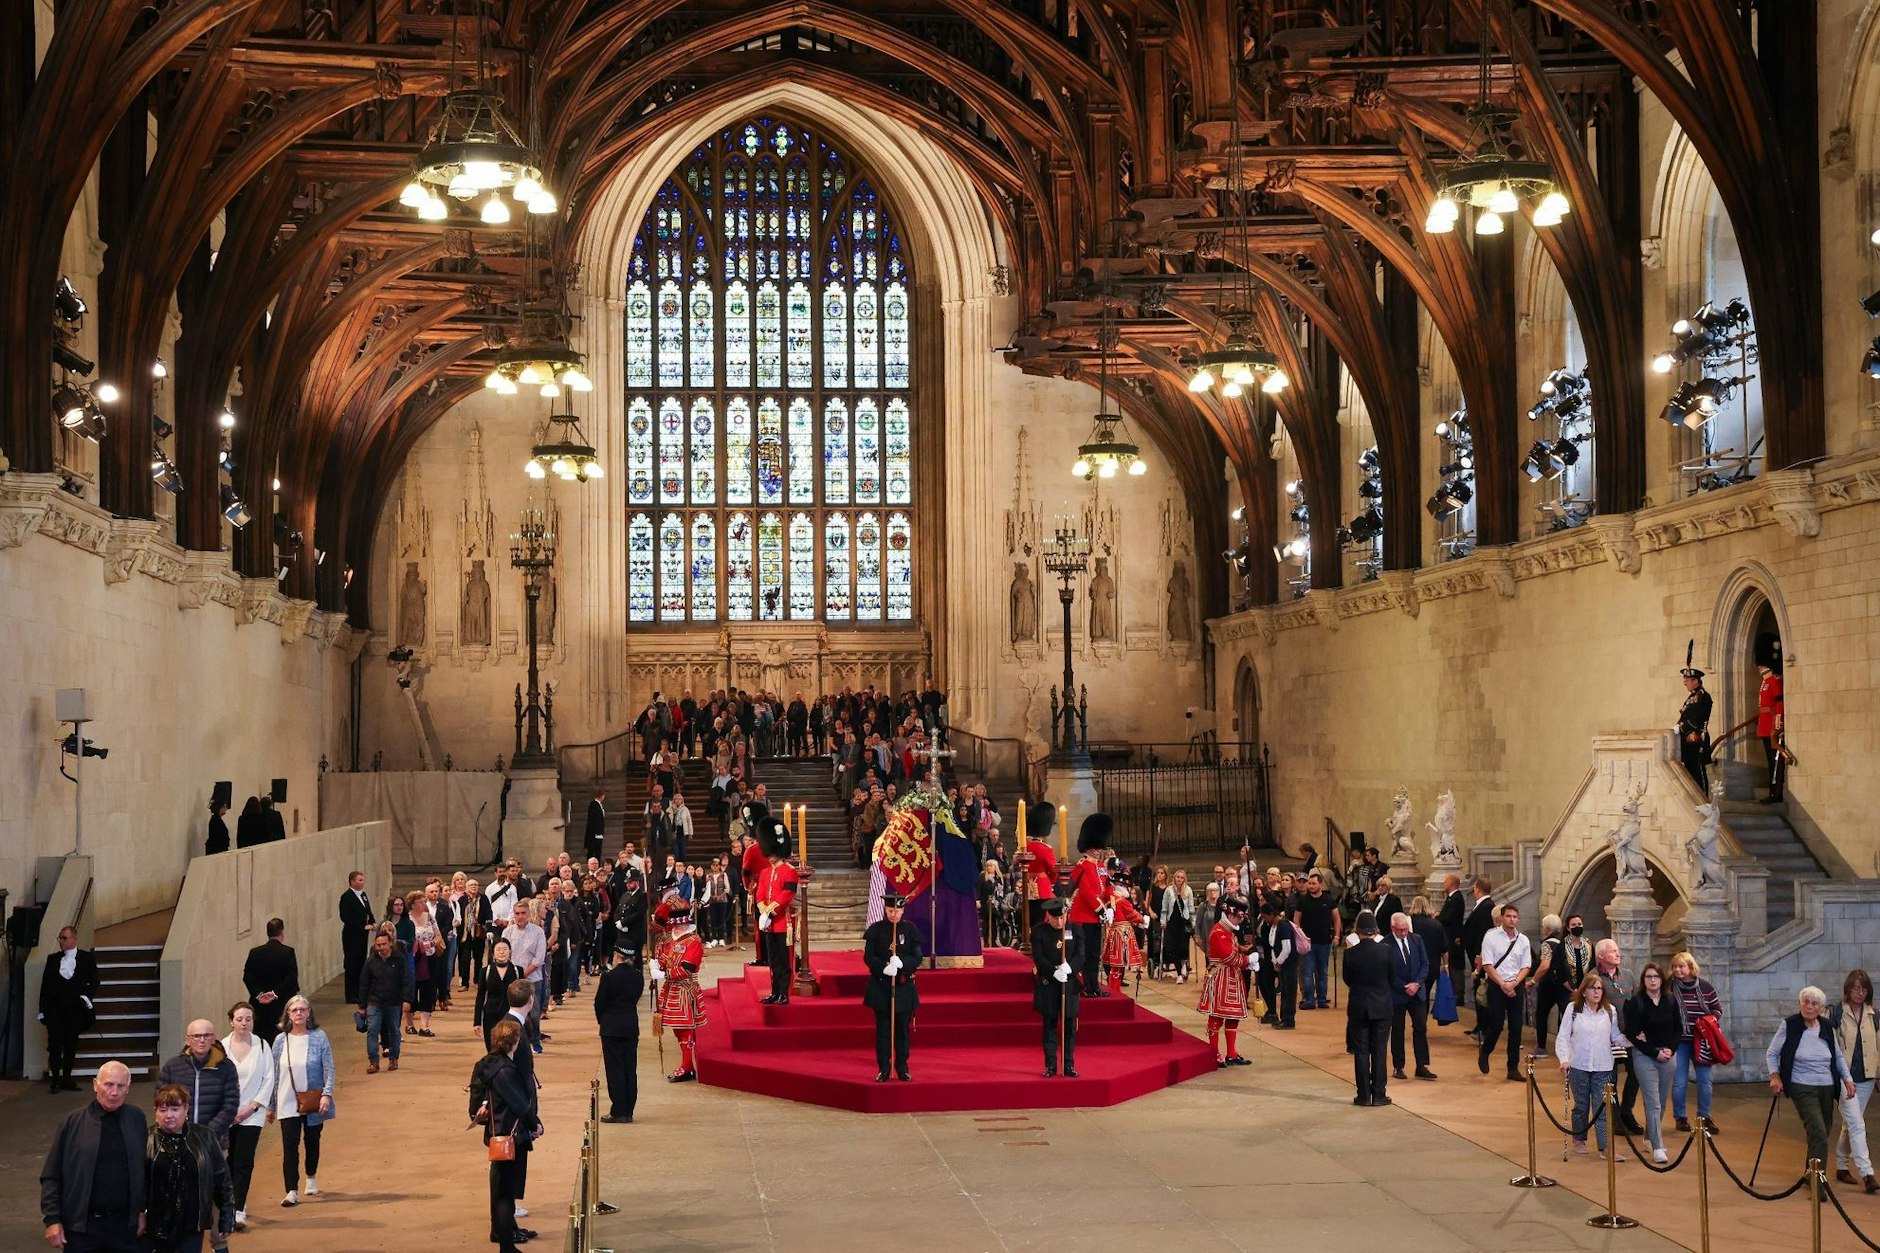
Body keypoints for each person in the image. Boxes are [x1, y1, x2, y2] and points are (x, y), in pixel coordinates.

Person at [40, 1061, 146, 1252]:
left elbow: (143, 1170)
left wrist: (140, 1211)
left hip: (124, 1228)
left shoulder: (136, 1118)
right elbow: (51, 1175)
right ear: (95, 1084)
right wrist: (52, 1219)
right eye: (108, 1084)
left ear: (128, 1089)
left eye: (120, 1086)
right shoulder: (72, 1123)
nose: (114, 1092)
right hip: (82, 1229)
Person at [1769, 985, 1855, 1185]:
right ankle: (1818, 1182)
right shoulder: (1789, 1025)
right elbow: (1772, 1053)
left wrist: (1848, 1079)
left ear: (1821, 1008)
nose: (1809, 1007)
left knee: (1823, 1130)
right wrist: (1775, 1076)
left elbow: (1837, 1056)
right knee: (1817, 1131)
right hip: (1801, 1084)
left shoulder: (1826, 1026)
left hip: (1827, 1085)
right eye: (1806, 1002)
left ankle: (1810, 1172)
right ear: (1799, 1004)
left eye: (1814, 1003)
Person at [143, 1082, 236, 1253]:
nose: (169, 1115)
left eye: (175, 1109)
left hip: (192, 1223)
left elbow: (222, 1179)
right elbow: (139, 1185)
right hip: (155, 1225)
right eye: (163, 1110)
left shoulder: (205, 1136)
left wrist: (227, 1217)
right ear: (155, 1112)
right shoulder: (145, 1139)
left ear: (186, 1109)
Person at [1557, 971, 1631, 1158]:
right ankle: (1579, 1139)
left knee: (1602, 1107)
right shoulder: (1574, 1010)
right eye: (1592, 988)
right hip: (1578, 1065)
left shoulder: (1609, 1011)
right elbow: (1563, 1036)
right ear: (1584, 991)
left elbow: (1616, 1037)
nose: (1597, 992)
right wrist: (1564, 1059)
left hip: (1603, 1066)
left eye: (1599, 988)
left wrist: (1634, 1040)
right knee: (1581, 1106)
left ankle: (1605, 1147)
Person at [270, 995, 334, 1208]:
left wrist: (326, 1094)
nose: (298, 1013)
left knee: (312, 1139)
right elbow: (274, 1073)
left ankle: (311, 1175)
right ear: (288, 1015)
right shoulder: (280, 1040)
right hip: (287, 1100)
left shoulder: (319, 1037)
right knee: (290, 1145)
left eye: (302, 1010)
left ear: (309, 1013)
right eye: (294, 1010)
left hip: (312, 1098)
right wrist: (271, 1105)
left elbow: (329, 1068)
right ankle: (291, 1190)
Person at [481, 1019, 538, 1253]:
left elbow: (476, 1103)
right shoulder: (506, 1071)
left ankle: (506, 1235)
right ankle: (506, 1245)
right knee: (505, 1194)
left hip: (496, 1134)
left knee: (501, 1190)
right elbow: (520, 1105)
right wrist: (535, 1125)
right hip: (511, 1138)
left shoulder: (487, 1064)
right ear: (514, 1042)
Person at [219, 1003, 274, 1230]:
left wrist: (252, 1107)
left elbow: (269, 1078)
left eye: (248, 1019)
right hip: (225, 1114)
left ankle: (238, 1208)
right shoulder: (221, 1048)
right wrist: (228, 1111)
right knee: (228, 1161)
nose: (244, 1023)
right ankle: (228, 1203)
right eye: (239, 1019)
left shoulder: (262, 1046)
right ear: (231, 1021)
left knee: (243, 1160)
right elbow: (215, 1079)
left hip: (252, 1114)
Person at [863, 892, 924, 1082]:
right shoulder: (876, 930)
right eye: (890, 911)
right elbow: (868, 956)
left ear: (902, 911)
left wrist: (903, 964)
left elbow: (917, 957)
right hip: (882, 986)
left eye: (896, 911)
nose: (893, 915)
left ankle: (902, 1067)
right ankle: (884, 1068)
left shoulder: (910, 930)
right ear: (885, 910)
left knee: (902, 1031)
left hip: (903, 988)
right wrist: (883, 968)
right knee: (883, 1031)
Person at [1624, 962, 1681, 1164]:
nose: (1653, 980)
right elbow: (1632, 1033)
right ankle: (1658, 1146)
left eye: (1656, 976)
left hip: (1668, 1055)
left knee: (1662, 1102)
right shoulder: (1637, 1002)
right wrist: (1654, 1052)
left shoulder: (1670, 1000)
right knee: (1653, 1102)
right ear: (1643, 980)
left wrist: (1671, 1049)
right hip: (1645, 1056)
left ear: (1662, 979)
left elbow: (1678, 1029)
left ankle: (1649, 1138)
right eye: (1648, 977)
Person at [157, 1020, 240, 1149]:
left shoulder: (226, 1067)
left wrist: (207, 1133)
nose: (202, 1040)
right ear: (187, 1040)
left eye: (206, 1035)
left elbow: (231, 1104)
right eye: (197, 1036)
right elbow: (161, 1101)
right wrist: (177, 1129)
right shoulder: (172, 1066)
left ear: (213, 1038)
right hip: (178, 1139)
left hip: (213, 1141)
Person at [1833, 970, 1880, 1192]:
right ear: (1848, 989)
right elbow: (1831, 1045)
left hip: (1867, 1077)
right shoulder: (1837, 1013)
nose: (1860, 993)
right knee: (1856, 1123)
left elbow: (1879, 1046)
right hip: (1845, 1077)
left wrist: (1878, 1075)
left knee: (1852, 1122)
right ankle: (1867, 1173)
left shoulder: (1874, 1015)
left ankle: (1841, 1166)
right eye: (1856, 988)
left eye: (1864, 989)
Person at [1668, 950, 1724, 1133]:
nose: (1677, 970)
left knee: (1705, 1081)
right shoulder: (1669, 988)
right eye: (1675, 967)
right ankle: (1680, 1117)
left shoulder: (1706, 987)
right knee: (1680, 1081)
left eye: (1681, 966)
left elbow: (1717, 1009)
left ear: (1691, 968)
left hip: (1702, 1040)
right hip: (1680, 1041)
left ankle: (1704, 1117)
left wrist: (1709, 1021)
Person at [652, 893, 706, 1082]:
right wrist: (657, 963)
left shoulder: (693, 942)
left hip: (684, 990)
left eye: (675, 925)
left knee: (686, 1029)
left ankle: (687, 1065)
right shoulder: (674, 940)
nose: (673, 928)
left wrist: (664, 974)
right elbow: (667, 959)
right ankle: (687, 1064)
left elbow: (686, 969)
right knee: (677, 1029)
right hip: (672, 990)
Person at [39, 925, 98, 1093]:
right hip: (55, 1010)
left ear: (74, 939)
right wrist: (42, 1009)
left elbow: (94, 981)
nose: (61, 941)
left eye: (64, 938)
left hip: (75, 1010)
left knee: (71, 1044)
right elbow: (45, 986)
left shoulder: (86, 958)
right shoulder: (53, 959)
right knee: (54, 1045)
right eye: (60, 938)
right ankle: (55, 1080)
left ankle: (67, 1078)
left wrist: (86, 997)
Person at [1476, 903, 1532, 1081]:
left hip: (1516, 986)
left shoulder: (1523, 940)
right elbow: (1487, 964)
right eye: (1508, 916)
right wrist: (1503, 984)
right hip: (1496, 985)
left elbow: (1526, 966)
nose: (1512, 920)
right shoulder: (1491, 936)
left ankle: (1512, 1068)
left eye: (1515, 917)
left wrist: (1514, 983)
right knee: (1497, 1024)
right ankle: (1486, 1050)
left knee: (1516, 1027)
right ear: (1501, 918)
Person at [1343, 910, 1393, 1107]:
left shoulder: (1350, 954)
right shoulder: (1387, 951)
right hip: (1381, 1005)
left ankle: (1363, 1095)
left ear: (1358, 931)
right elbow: (1392, 977)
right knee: (1380, 1051)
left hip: (1359, 1005)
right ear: (1375, 930)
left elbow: (1348, 979)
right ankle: (1379, 1094)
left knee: (1361, 1052)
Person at [1197, 895, 1252, 1068]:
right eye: (1238, 917)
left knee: (1232, 1017)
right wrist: (1247, 960)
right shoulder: (1219, 932)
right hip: (1220, 977)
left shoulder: (1227, 931)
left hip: (1231, 977)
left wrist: (1243, 951)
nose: (1240, 920)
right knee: (1216, 1016)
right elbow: (1228, 956)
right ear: (1230, 914)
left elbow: (1233, 950)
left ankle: (1231, 1053)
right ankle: (1213, 1052)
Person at [592, 946, 644, 1122]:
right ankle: (629, 1110)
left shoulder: (609, 977)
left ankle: (618, 1110)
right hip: (630, 1025)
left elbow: (599, 1003)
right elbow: (635, 998)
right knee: (629, 1067)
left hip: (611, 1027)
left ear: (616, 955)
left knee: (615, 1069)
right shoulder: (638, 976)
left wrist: (603, 1020)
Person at [1032, 897, 1083, 1078]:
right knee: (1049, 1027)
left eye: (1062, 918)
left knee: (1069, 1028)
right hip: (1049, 983)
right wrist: (1053, 972)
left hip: (1069, 984)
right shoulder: (1039, 931)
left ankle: (1068, 1065)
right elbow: (1038, 957)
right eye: (1055, 919)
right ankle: (1051, 1065)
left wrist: (1071, 967)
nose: (1059, 922)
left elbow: (1081, 955)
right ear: (1049, 916)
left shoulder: (1075, 930)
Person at [753, 816, 798, 1004]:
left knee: (784, 961)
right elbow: (760, 895)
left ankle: (784, 993)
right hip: (768, 924)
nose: (770, 856)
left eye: (772, 853)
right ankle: (775, 992)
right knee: (773, 960)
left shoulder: (790, 871)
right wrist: (763, 910)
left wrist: (769, 912)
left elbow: (787, 895)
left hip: (781, 923)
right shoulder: (765, 872)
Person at [1533, 913, 1592, 1053]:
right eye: (1574, 925)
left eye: (1579, 924)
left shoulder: (1548, 944)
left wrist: (1534, 980)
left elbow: (1545, 965)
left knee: (1545, 1015)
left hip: (1553, 985)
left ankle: (1542, 1047)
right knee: (1566, 1015)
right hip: (1565, 986)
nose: (1577, 927)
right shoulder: (1562, 944)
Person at [1067, 816, 1113, 998]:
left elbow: (1107, 886)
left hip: (1096, 918)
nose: (1098, 851)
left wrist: (1110, 907)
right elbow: (1086, 892)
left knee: (1095, 955)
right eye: (1096, 848)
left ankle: (1094, 986)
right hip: (1084, 917)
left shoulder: (1100, 865)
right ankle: (1087, 986)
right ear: (1088, 847)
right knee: (1084, 954)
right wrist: (1101, 910)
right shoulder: (1082, 865)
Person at [1387, 912, 1435, 1081]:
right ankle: (1398, 1066)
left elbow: (1425, 964)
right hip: (1397, 995)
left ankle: (1421, 1065)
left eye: (1405, 929)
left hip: (1417, 993)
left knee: (1421, 1027)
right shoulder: (1386, 944)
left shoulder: (1417, 939)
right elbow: (1388, 972)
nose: (1403, 933)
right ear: (1393, 928)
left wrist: (1417, 984)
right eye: (1400, 930)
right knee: (1398, 1030)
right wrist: (1403, 987)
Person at [357, 931, 411, 1073]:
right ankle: (374, 1061)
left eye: (384, 944)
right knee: (372, 1030)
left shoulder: (399, 959)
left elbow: (406, 980)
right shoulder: (371, 961)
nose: (381, 948)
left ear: (390, 944)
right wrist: (362, 1006)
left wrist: (406, 999)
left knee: (394, 1031)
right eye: (378, 945)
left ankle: (393, 1059)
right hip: (374, 1002)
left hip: (394, 1003)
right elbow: (364, 983)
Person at [241, 918, 299, 1045]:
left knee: (261, 1039)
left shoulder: (255, 953)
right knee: (282, 1039)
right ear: (281, 933)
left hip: (260, 1006)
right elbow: (291, 978)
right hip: (281, 1004)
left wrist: (259, 994)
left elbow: (247, 977)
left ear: (267, 933)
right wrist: (274, 993)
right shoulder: (288, 952)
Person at [1293, 871, 1340, 1010]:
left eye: (1313, 883)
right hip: (1307, 942)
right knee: (1307, 971)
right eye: (1309, 883)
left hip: (1324, 942)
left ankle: (1322, 998)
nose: (1311, 886)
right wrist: (1300, 935)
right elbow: (1297, 918)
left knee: (1322, 971)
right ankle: (1309, 999)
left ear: (1320, 884)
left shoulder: (1328, 900)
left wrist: (1337, 936)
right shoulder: (1303, 900)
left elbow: (1337, 919)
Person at [475, 937, 524, 1052]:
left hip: (511, 1017)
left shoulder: (518, 971)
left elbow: (522, 997)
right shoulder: (485, 971)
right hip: (490, 1017)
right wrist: (477, 1022)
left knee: (510, 1049)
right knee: (492, 1050)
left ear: (510, 951)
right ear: (493, 953)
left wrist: (525, 1019)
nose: (502, 952)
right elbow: (480, 997)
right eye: (498, 949)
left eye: (505, 949)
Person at [1100, 881, 1145, 995]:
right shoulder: (1122, 901)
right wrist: (1143, 919)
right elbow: (1132, 914)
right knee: (1117, 966)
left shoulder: (1111, 899)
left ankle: (1115, 989)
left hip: (1114, 932)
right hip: (1121, 934)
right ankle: (1115, 991)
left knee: (1115, 967)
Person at [1677, 658, 1713, 794]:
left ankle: (1703, 798)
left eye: (1687, 680)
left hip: (1697, 738)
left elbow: (1696, 719)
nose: (1684, 683)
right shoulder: (1692, 697)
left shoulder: (1702, 696)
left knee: (1698, 772)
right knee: (1690, 772)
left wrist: (1680, 728)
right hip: (1688, 740)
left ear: (1696, 681)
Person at [1757, 656, 1785, 803]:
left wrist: (1777, 725)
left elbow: (1779, 702)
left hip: (1772, 725)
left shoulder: (1774, 681)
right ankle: (1772, 792)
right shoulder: (1765, 682)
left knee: (1775, 762)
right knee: (1770, 761)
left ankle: (1776, 793)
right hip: (1765, 724)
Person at [1161, 869, 1195, 983]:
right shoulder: (1169, 890)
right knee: (1174, 948)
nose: (1179, 879)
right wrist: (1163, 920)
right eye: (1178, 877)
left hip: (1184, 922)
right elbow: (1164, 907)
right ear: (1174, 878)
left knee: (1183, 947)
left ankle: (1184, 964)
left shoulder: (1188, 890)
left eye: (1182, 877)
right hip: (1172, 922)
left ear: (1184, 879)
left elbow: (1191, 907)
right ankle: (1179, 973)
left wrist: (1193, 922)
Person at [585, 790, 608, 862]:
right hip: (594, 833)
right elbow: (594, 820)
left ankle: (597, 864)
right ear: (601, 796)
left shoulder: (598, 804)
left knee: (598, 851)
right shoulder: (594, 804)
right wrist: (597, 832)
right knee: (592, 851)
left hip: (598, 832)